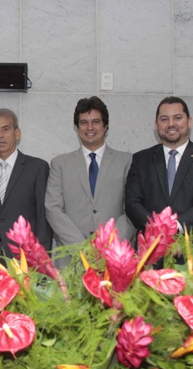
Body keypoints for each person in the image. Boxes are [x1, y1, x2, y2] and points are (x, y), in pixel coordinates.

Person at [124, 97, 193, 256]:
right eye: (164, 119)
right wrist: (158, 231)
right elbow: (132, 203)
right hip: (152, 251)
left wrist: (175, 227)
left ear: (189, 121)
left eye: (177, 118)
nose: (171, 124)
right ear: (156, 125)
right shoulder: (141, 159)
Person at [45, 96, 134, 252]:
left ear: (105, 126)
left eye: (96, 122)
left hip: (115, 254)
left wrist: (109, 245)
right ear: (77, 127)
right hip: (72, 256)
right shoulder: (60, 164)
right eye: (84, 122)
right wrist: (82, 248)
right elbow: (53, 209)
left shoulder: (127, 161)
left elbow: (133, 209)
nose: (90, 127)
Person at [0, 109, 52, 256]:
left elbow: (43, 221)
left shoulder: (37, 168)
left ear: (17, 133)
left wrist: (42, 261)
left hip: (24, 257)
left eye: (5, 129)